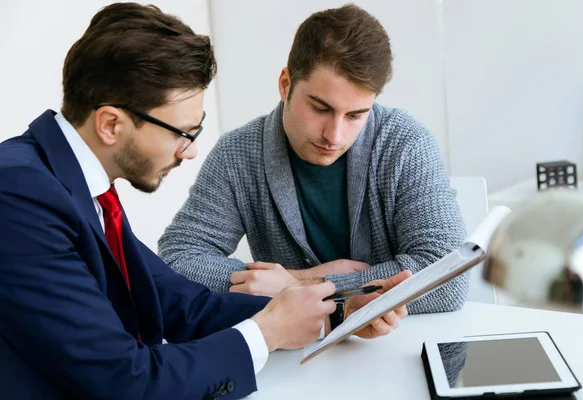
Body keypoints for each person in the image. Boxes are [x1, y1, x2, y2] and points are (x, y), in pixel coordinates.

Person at [0, 3, 410, 399]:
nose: (190, 151)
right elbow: (125, 380)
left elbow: (180, 302)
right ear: (111, 124)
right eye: (182, 132)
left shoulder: (75, 183)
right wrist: (267, 332)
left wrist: (334, 316)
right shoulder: (18, 195)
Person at [159, 4, 468, 314]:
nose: (334, 136)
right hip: (295, 354)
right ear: (285, 84)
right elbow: (177, 260)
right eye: (321, 109)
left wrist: (304, 285)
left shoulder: (406, 143)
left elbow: (448, 280)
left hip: (409, 348)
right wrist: (303, 280)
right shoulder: (237, 154)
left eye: (356, 115)